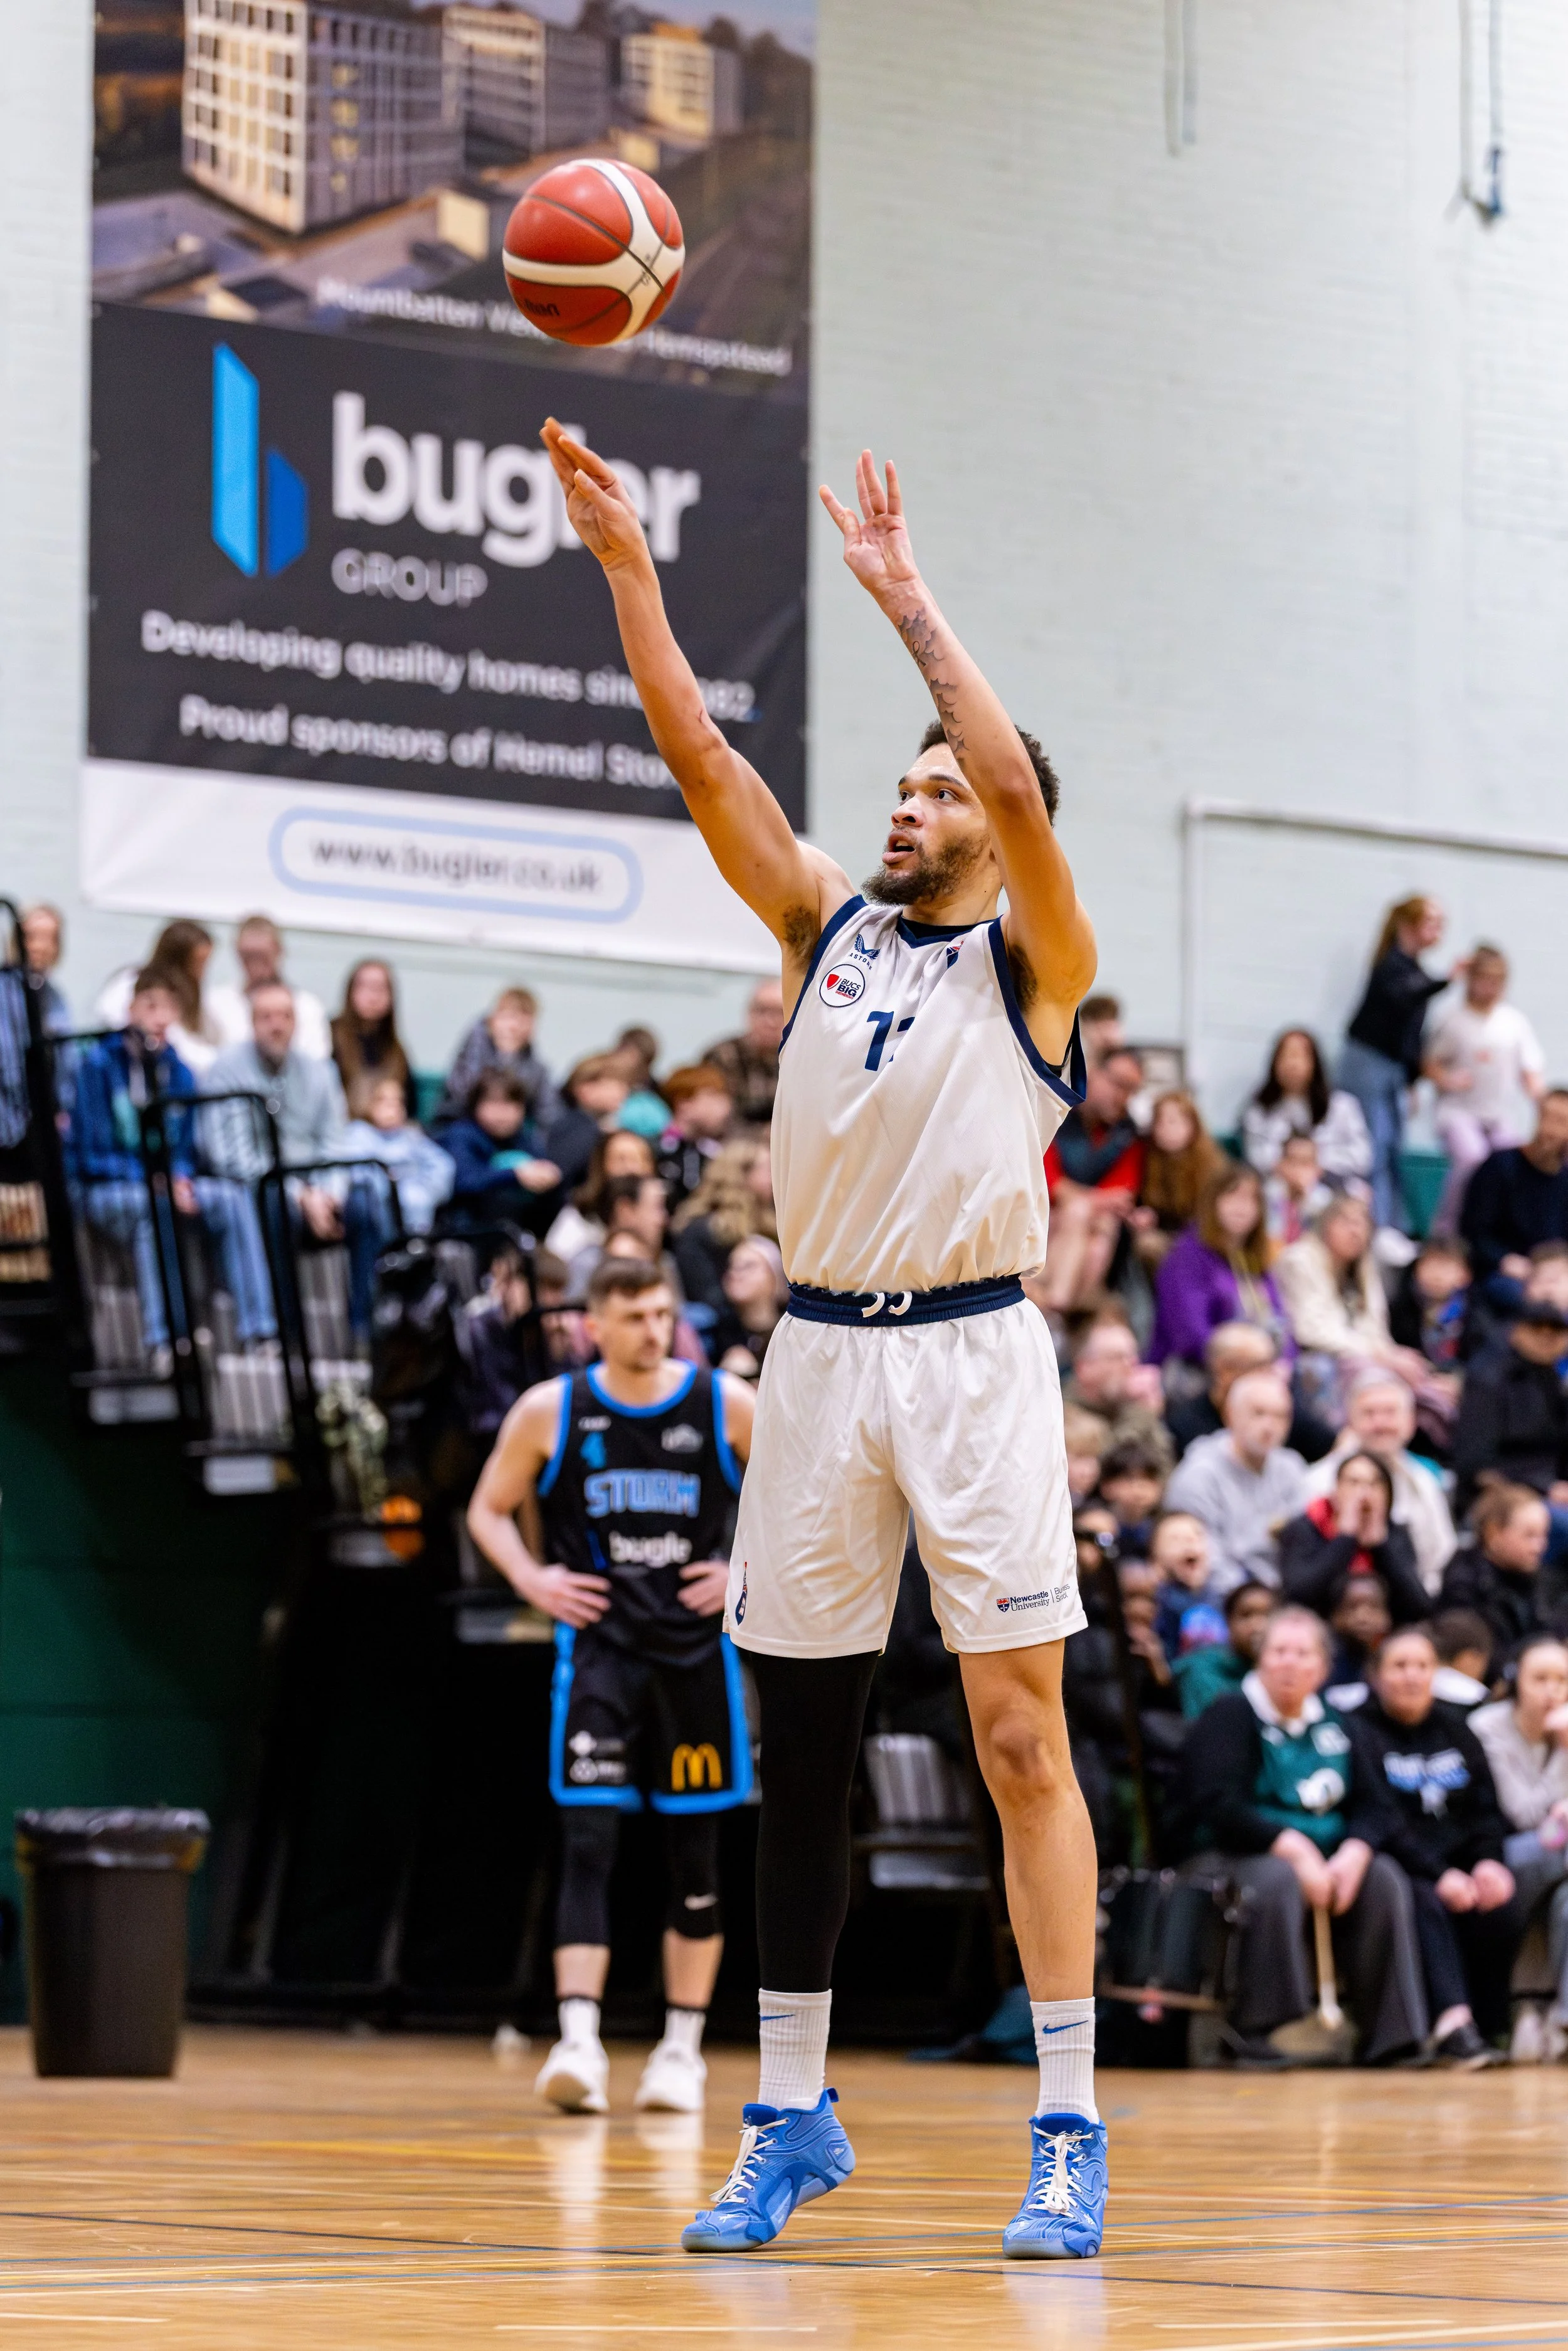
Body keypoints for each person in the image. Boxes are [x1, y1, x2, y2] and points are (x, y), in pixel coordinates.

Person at [542, 418, 1104, 2254]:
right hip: (818, 1357)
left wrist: (904, 602)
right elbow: (696, 751)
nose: (910, 802)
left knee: (1019, 1741)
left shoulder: (1036, 963)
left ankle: (1067, 2122)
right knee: (796, 1748)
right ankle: (786, 2112)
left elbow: (1021, 791)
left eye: (938, 789)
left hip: (970, 1356)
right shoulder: (822, 925)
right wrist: (626, 566)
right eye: (904, 779)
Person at [465, 1257, 755, 2116]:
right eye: (634, 1316)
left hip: (698, 1658)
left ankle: (681, 2049)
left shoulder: (723, 1404)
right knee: (588, 1843)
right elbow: (487, 1508)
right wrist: (533, 1579)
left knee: (695, 1857)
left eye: (664, 1313)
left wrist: (744, 1568)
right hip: (598, 1653)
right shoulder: (553, 1410)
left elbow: (806, 1491)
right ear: (595, 1324)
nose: (652, 1329)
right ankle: (580, 2040)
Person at [1179, 1607, 1428, 2066]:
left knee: (1384, 1876)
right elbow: (1216, 1805)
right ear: (1261, 1660)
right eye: (1279, 1651)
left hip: (1327, 1858)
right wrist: (1294, 1848)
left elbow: (1378, 1806)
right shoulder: (1231, 1713)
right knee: (1276, 1880)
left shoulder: (1340, 1722)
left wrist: (1354, 1853)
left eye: (1302, 1653)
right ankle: (1259, 2032)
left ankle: (1391, 2037)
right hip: (1229, 1856)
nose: (1289, 1663)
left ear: (1323, 1669)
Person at [72, 967, 275, 1366]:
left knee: (232, 1198)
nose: (160, 1018)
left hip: (167, 1183)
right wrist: (155, 1179)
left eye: (169, 1009)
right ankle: (164, 1342)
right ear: (131, 1010)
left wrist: (178, 1176)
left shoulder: (180, 1071)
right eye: (151, 1006)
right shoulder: (96, 1065)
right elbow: (92, 1153)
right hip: (108, 1187)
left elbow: (184, 1147)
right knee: (156, 1208)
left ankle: (259, 1332)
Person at [1350, 1625, 1524, 2062]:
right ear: (1376, 1675)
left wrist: (1488, 1862)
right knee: (1426, 1901)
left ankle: (1491, 2026)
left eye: (1422, 1666)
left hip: (1461, 1858)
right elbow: (1380, 1815)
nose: (1411, 1676)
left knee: (1499, 1901)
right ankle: (1452, 2023)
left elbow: (1486, 1808)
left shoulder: (1457, 1728)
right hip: (1404, 1862)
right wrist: (1439, 1873)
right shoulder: (1358, 1731)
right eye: (1399, 1666)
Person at [206, 980, 388, 1339]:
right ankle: (288, 1335)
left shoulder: (320, 1072)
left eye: (285, 1016)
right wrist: (300, 1196)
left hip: (319, 1188)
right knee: (272, 1205)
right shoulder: (226, 1070)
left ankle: (365, 1331)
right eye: (267, 1017)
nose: (277, 1025)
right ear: (252, 1021)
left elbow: (335, 1141)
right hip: (267, 1190)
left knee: (367, 1203)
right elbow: (233, 1156)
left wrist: (329, 1194)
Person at [1470, 1635, 1568, 2062]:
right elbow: (1524, 1814)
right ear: (1516, 1682)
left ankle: (1564, 2021)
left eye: (1563, 1679)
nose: (1554, 1691)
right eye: (1540, 1678)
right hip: (1500, 1860)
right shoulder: (1489, 1728)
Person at [1338, 896, 1456, 1231]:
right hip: (1368, 1065)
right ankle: (1366, 1225)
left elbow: (1411, 1036)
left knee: (1391, 1150)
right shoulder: (1390, 967)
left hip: (1392, 1070)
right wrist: (1448, 979)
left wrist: (1411, 1080)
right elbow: (1406, 996)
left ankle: (1387, 1226)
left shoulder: (1414, 971)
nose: (1437, 931)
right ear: (1408, 926)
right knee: (1369, 1149)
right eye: (1430, 922)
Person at [1424, 945, 1546, 1238]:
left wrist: (1544, 1104)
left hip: (1498, 1114)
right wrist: (1448, 1079)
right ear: (1472, 979)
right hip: (1459, 1111)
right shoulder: (1454, 1020)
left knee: (1512, 1166)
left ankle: (1501, 1233)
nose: (1492, 988)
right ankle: (1447, 1232)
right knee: (1472, 1159)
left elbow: (1530, 1072)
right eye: (1486, 980)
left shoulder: (1513, 1022)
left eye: (1498, 981)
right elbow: (1430, 1064)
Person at [1300, 1372, 1457, 1598]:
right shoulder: (1318, 1481)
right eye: (1369, 1413)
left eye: (1390, 1413)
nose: (1380, 1424)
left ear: (1411, 1422)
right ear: (1350, 1422)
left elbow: (1441, 1557)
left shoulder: (1423, 1480)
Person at [1163, 1366, 1308, 1592]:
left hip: (1284, 1591)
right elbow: (1202, 1559)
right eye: (1259, 1413)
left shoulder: (1291, 1468)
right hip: (1220, 1596)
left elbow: (1303, 1545)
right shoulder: (1199, 1474)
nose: (1270, 1426)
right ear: (1230, 1414)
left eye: (1281, 1416)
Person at [1275, 1195, 1429, 1403]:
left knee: (1417, 1370)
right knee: (1380, 1381)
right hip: (1314, 1359)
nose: (1355, 1231)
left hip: (1357, 1357)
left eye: (1361, 1223)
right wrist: (1382, 1357)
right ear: (1326, 1226)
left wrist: (1394, 1355)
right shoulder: (1301, 1260)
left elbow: (1375, 1331)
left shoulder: (1364, 1267)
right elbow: (1313, 1332)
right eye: (1346, 1222)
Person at [1147, 1164, 1289, 1371]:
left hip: (1259, 1367)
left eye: (1252, 1199)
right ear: (1213, 1201)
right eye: (1233, 1196)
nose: (1242, 1207)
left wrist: (1285, 1362)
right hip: (1199, 1368)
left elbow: (1281, 1323)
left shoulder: (1255, 1261)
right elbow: (1190, 1333)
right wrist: (1245, 1361)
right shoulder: (1188, 1256)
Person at [1038, 1046, 1145, 1312]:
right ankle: (1058, 1307)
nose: (1123, 1096)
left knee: (1097, 1241)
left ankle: (1055, 1309)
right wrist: (1087, 1201)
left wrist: (1079, 1200)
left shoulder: (1126, 1133)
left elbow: (1122, 1194)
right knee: (1079, 1215)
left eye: (1131, 1090)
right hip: (1046, 1219)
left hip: (1091, 1227)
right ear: (1095, 1072)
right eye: (1118, 1083)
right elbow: (1047, 1181)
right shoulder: (1056, 1112)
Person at [1276, 1451, 1429, 1625]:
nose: (1364, 1494)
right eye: (1354, 1483)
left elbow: (1419, 1607)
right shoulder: (1305, 1528)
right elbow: (1298, 1596)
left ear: (1388, 1495)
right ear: (1335, 1491)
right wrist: (1345, 1538)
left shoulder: (1396, 1534)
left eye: (1374, 1484)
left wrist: (1381, 1546)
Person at [1450, 1299, 1568, 1517]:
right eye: (1536, 1327)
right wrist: (1543, 1489)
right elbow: (1475, 1465)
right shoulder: (1488, 1380)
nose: (1546, 1336)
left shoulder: (1556, 1384)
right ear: (1516, 1331)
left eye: (1555, 1329)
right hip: (1500, 1500)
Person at [1164, 1319, 1333, 1466]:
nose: (1272, 1374)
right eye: (1260, 1366)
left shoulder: (1277, 1406)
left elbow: (1332, 1444)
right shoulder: (1185, 1427)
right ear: (1225, 1370)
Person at [1441, 1484, 1568, 1657]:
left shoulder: (1539, 1577)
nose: (1540, 1546)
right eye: (1529, 1535)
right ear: (1493, 1533)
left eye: (1544, 1535)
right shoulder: (1463, 1585)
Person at [1459, 1090, 1568, 1287]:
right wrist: (1504, 1260)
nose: (1550, 1130)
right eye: (1546, 1117)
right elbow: (1474, 1232)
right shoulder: (1500, 1166)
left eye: (1561, 1122)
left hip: (1554, 1276)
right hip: (1500, 1273)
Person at [669, 1135, 777, 1328]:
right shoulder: (701, 1231)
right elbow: (708, 1299)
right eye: (767, 1169)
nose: (775, 1176)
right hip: (724, 1333)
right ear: (741, 1174)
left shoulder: (771, 1223)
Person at [1242, 1029, 1374, 1187]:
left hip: (1333, 1187)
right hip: (1278, 1188)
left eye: (1299, 1056)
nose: (1292, 1064)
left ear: (1315, 1062)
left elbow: (1363, 1157)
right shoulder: (1260, 1108)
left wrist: (1317, 1159)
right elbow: (1255, 1155)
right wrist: (1289, 1164)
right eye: (1285, 1056)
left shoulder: (1343, 1105)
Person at [438, 1072, 563, 1231]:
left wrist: (550, 1174)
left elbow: (540, 1164)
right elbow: (462, 1181)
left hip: (516, 1227)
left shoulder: (523, 1137)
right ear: (475, 1105)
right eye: (493, 1104)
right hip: (465, 1228)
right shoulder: (461, 1134)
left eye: (511, 1104)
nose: (502, 1114)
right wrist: (515, 1175)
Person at [95, 919, 222, 1074]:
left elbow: (213, 1037)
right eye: (198, 964)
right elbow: (113, 1022)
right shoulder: (130, 984)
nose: (201, 973)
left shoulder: (192, 996)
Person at [340, 1075, 453, 1236]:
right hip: (380, 1210)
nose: (393, 1109)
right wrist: (391, 1189)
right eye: (385, 1102)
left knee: (415, 1198)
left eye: (398, 1102)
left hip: (418, 1205)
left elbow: (443, 1163)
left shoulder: (411, 1135)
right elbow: (358, 1174)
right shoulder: (359, 1134)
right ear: (368, 1103)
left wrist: (429, 1189)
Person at [433, 987, 559, 1132]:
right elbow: (463, 1093)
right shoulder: (473, 1049)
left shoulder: (536, 1069)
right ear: (493, 1020)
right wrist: (502, 1055)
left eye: (524, 1020)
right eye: (509, 1017)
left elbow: (549, 1114)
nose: (515, 1027)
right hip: (462, 1124)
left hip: (507, 1135)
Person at [207, 915, 331, 1060]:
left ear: (279, 951)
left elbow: (316, 1062)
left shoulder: (307, 1007)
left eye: (261, 955)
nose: (254, 963)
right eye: (247, 955)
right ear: (237, 953)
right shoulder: (216, 1003)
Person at [1061, 1313, 1172, 1470]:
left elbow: (1162, 1471)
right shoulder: (1063, 1411)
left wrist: (1154, 1417)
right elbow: (1105, 1466)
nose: (1130, 1366)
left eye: (1132, 1356)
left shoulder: (1128, 1404)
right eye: (1117, 1358)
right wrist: (1142, 1414)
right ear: (1084, 1368)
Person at [1131, 1089, 1224, 1270]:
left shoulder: (1212, 1166)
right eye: (1159, 1123)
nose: (1165, 1129)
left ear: (1192, 1125)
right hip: (1165, 1239)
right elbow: (1144, 1204)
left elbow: (1211, 1216)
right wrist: (1146, 1215)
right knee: (1146, 1245)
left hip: (1202, 1240)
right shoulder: (1147, 1159)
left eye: (1173, 1122)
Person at [546, 1130, 659, 1269]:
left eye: (642, 1159)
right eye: (622, 1159)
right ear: (602, 1165)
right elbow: (555, 1270)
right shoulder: (579, 1217)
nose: (633, 1169)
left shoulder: (660, 1217)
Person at [1173, 1579, 1274, 1719]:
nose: (1258, 1625)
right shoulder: (1202, 1670)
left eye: (1267, 1615)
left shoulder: (1284, 1670)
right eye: (1246, 1615)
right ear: (1228, 1621)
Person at [330, 959, 411, 1123]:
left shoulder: (396, 1051)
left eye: (380, 989)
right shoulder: (330, 1037)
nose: (373, 996)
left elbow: (410, 1108)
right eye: (365, 987)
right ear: (350, 992)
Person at [539, 1054, 632, 1192]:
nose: (623, 1091)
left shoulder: (591, 1126)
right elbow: (558, 1178)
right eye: (614, 1084)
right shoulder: (577, 1128)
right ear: (584, 1089)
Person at [707, 1234, 789, 1379]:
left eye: (748, 1266)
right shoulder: (715, 1332)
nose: (735, 1274)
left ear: (774, 1277)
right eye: (732, 1267)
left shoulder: (790, 1331)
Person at [1149, 1509, 1227, 1661]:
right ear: (1155, 1559)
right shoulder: (1156, 1604)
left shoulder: (1226, 1600)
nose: (1190, 1542)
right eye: (1176, 1540)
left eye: (1198, 1536)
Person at [704, 979, 785, 1126]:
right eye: (762, 1011)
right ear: (749, 1013)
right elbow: (713, 1115)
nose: (770, 1021)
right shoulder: (723, 1055)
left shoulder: (802, 1060)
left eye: (781, 1012)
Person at [655, 1064, 735, 1208]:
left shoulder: (715, 1153)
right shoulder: (658, 1151)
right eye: (712, 1096)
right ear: (684, 1103)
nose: (726, 1106)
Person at [1096, 1438, 1167, 1557]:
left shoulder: (1160, 1530)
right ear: (1106, 1486)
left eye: (1148, 1478)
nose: (1140, 1489)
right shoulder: (1096, 1524)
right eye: (1129, 1479)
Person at [1263, 1133, 1336, 1248]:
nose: (1298, 1169)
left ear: (1319, 1170)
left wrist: (1305, 1197)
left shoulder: (1327, 1202)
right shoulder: (1265, 1197)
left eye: (1306, 1163)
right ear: (1279, 1165)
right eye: (1292, 1161)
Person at [18, 903, 72, 1035]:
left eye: (47, 939)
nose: (39, 947)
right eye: (31, 936)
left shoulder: (55, 998)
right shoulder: (6, 992)